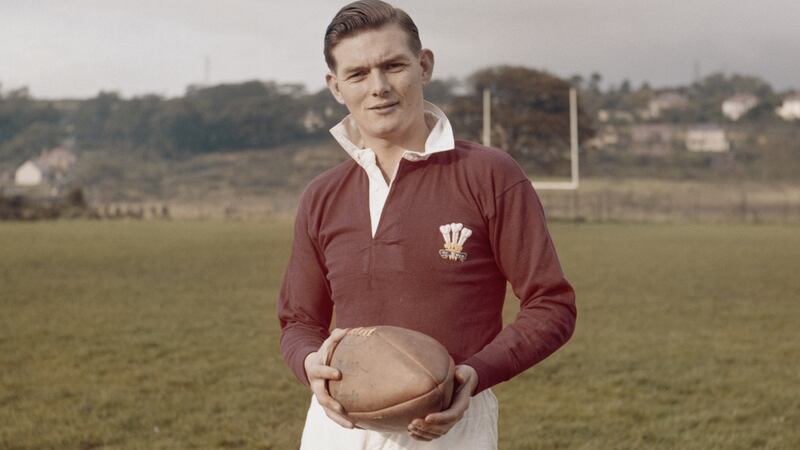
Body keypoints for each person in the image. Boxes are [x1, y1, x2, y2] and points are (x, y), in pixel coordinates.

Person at [277, 1, 577, 448]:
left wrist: (474, 375)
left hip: (453, 424)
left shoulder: (490, 175)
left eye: (393, 66)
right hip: (338, 428)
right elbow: (298, 320)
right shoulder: (322, 195)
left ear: (425, 66)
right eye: (358, 74)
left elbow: (552, 305)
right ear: (335, 86)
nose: (378, 87)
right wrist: (309, 364)